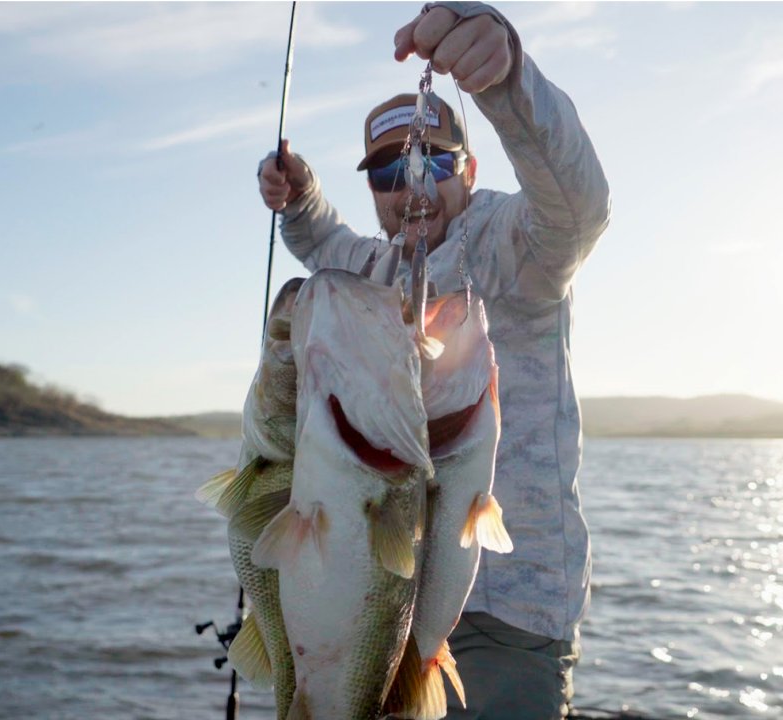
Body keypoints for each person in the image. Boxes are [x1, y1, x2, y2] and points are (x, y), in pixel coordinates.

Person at [257, 2, 611, 718]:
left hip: (512, 615)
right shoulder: (379, 272)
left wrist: (505, 81)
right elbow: (327, 247)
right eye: (387, 173)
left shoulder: (518, 247)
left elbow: (580, 206)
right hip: (383, 599)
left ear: (468, 167)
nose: (411, 186)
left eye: (431, 161)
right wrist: (299, 201)